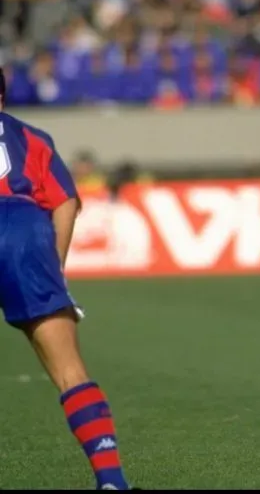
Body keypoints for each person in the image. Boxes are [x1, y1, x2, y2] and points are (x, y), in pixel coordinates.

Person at [0, 69, 133, 490]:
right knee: (69, 371)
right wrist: (52, 267)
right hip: (23, 230)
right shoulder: (30, 137)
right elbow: (66, 201)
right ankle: (111, 480)